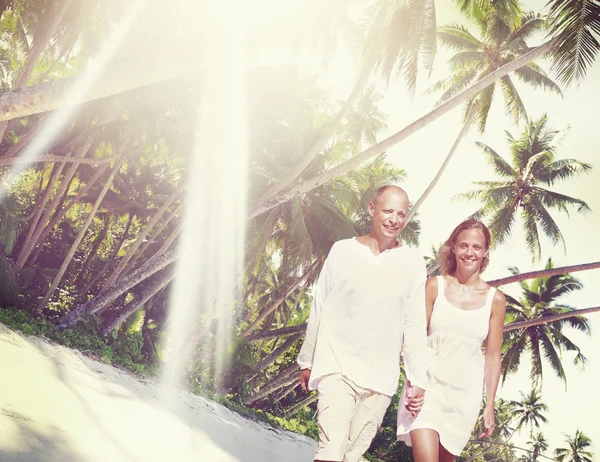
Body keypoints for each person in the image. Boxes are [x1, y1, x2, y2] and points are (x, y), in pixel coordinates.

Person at [296, 185, 429, 462]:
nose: (394, 220)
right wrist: (307, 360)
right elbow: (319, 306)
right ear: (372, 208)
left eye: (401, 214)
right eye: (388, 211)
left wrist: (417, 379)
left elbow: (414, 325)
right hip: (337, 366)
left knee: (350, 457)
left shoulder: (413, 263)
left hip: (380, 381)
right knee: (330, 451)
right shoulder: (342, 251)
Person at [397, 219, 507, 462]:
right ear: (454, 248)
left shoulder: (495, 300)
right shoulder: (434, 286)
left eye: (477, 247)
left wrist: (489, 406)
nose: (469, 253)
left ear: (485, 251)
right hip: (427, 389)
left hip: (464, 397)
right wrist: (414, 381)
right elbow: (414, 338)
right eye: (464, 246)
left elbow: (492, 356)